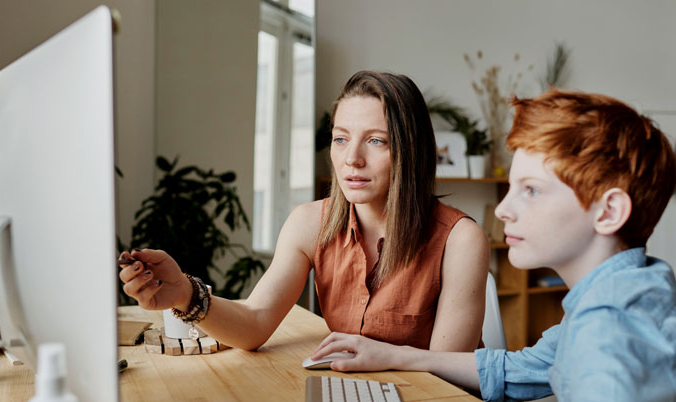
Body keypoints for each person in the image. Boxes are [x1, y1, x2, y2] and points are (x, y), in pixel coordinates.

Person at [313, 90, 676, 402]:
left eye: (530, 191)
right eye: (511, 188)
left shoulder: (618, 316)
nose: (504, 211)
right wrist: (396, 355)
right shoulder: (626, 291)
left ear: (608, 213)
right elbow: (519, 367)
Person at [119, 70, 489, 352]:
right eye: (341, 138)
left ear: (411, 151)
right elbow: (254, 322)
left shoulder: (460, 240)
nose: (351, 159)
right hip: (358, 401)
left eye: (376, 141)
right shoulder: (310, 223)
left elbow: (446, 376)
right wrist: (185, 293)